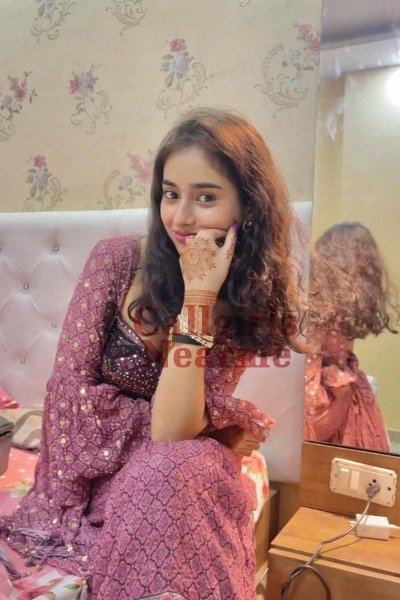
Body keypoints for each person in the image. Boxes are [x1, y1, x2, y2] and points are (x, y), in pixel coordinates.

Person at [0, 107, 303, 599]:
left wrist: (200, 297)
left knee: (175, 466)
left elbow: (171, 432)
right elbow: (69, 400)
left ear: (246, 207)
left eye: (206, 197)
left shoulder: (243, 297)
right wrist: (211, 425)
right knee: (175, 464)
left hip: (175, 469)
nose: (180, 217)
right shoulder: (117, 261)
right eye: (171, 193)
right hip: (89, 473)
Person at [303, 221, 399, 451]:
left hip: (311, 387)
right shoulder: (337, 311)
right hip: (319, 395)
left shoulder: (312, 301)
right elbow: (335, 360)